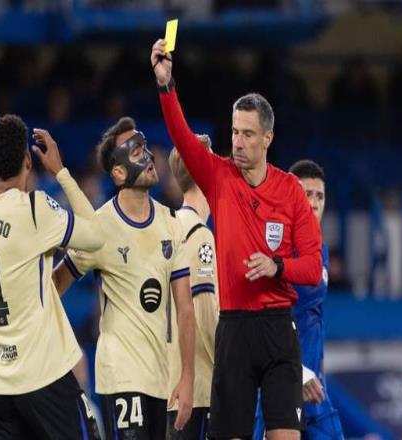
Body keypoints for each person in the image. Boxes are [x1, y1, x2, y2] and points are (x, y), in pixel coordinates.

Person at [151, 40, 323, 440]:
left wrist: (276, 265)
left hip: (278, 329)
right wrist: (166, 85)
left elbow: (313, 268)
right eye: (234, 132)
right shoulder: (219, 177)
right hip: (234, 330)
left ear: (268, 138)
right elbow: (181, 137)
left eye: (248, 134)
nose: (238, 141)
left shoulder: (290, 190)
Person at [52, 116, 195, 439]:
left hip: (162, 377)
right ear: (118, 173)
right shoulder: (100, 227)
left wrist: (187, 378)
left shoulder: (171, 223)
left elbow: (185, 309)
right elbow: (55, 285)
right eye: (136, 151)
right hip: (120, 375)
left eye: (145, 147)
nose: (148, 157)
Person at [0, 114, 103, 439]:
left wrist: (61, 273)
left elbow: (25, 271)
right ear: (28, 159)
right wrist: (61, 171)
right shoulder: (34, 209)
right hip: (43, 377)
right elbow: (97, 235)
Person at [253, 160, 344, 439]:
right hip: (280, 387)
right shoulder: (274, 251)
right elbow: (261, 322)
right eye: (307, 194)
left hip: (315, 393)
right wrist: (298, 371)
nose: (314, 203)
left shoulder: (320, 250)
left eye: (320, 196)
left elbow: (313, 320)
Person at [166, 135, 219, 440]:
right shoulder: (200, 236)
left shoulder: (168, 228)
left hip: (167, 385)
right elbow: (205, 314)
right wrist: (233, 369)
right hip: (198, 392)